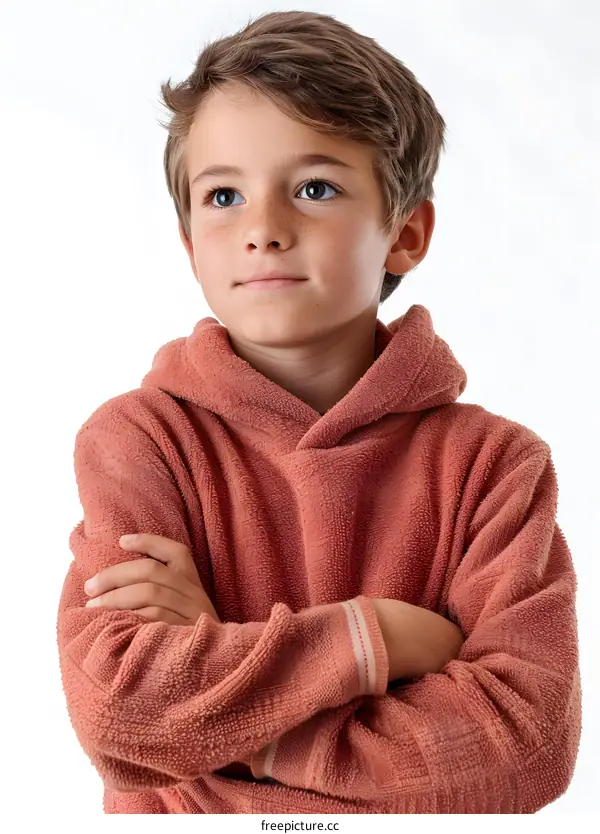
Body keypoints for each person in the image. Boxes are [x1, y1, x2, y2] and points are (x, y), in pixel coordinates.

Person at [56, 9, 581, 815]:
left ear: (405, 234)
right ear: (191, 242)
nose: (263, 229)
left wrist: (247, 731)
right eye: (223, 194)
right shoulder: (138, 442)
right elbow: (125, 718)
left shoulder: (494, 467)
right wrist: (378, 637)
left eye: (314, 187)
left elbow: (526, 748)